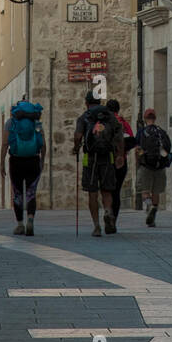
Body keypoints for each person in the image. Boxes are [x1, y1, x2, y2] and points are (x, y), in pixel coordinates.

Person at [73, 91, 124, 237]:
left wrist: (76, 148)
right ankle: (108, 211)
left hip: (90, 158)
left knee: (92, 192)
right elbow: (119, 136)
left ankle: (96, 226)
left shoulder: (84, 117)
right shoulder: (110, 117)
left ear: (86, 103)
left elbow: (78, 136)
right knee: (107, 190)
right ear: (100, 102)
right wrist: (119, 154)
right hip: (108, 156)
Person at [0, 100, 46, 236]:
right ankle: (30, 220)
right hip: (33, 160)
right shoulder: (36, 122)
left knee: (18, 193)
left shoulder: (10, 123)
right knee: (31, 192)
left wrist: (1, 162)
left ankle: (20, 224)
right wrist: (42, 160)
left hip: (16, 161)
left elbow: (4, 144)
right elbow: (42, 143)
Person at [135, 108, 172, 227]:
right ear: (154, 118)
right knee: (156, 192)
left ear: (145, 119)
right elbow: (167, 149)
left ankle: (149, 206)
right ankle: (154, 211)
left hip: (146, 165)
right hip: (159, 166)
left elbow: (138, 149)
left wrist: (139, 162)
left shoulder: (141, 132)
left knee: (145, 191)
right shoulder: (161, 132)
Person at [106, 99, 136, 225]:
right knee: (116, 191)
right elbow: (131, 140)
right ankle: (114, 219)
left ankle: (108, 212)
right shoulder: (123, 122)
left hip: (106, 160)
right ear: (118, 109)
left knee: (107, 190)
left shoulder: (104, 122)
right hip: (121, 160)